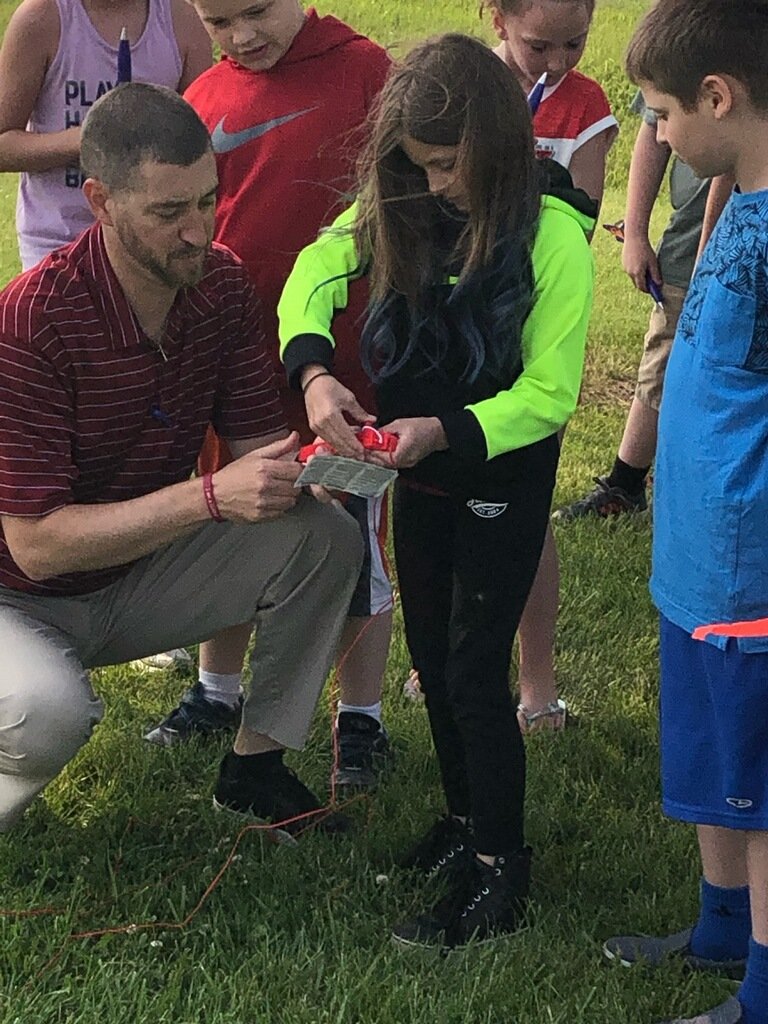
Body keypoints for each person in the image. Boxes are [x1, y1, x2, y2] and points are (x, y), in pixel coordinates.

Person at [278, 33, 595, 947]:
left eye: (451, 166)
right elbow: (312, 273)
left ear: (496, 152)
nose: (437, 184)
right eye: (418, 167)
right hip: (418, 476)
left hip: (498, 476)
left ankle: (503, 868)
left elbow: (550, 393)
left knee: (471, 670)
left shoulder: (555, 240)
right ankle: (464, 824)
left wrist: (447, 432)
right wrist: (313, 375)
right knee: (429, 639)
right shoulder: (400, 204)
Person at [0, 82, 363, 837]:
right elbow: (36, 547)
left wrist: (325, 466)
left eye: (207, 199)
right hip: (19, 599)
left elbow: (260, 445)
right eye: (169, 213)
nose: (199, 230)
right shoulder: (33, 319)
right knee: (49, 714)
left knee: (325, 539)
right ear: (100, 202)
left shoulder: (220, 284)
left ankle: (255, 769)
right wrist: (206, 498)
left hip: (133, 579)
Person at [142, 0, 394, 790]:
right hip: (232, 367)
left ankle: (361, 721)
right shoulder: (203, 99)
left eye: (257, 10)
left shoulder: (367, 72)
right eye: (220, 20)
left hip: (344, 368)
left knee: (357, 540)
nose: (243, 35)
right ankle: (217, 690)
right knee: (229, 521)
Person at [603, 2, 768, 1021]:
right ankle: (718, 926)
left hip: (754, 571)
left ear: (720, 97)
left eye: (661, 114)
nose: (654, 135)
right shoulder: (734, 193)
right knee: (714, 763)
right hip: (701, 555)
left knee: (764, 793)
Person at [477, 0, 617, 734]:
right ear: (494, 17)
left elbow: (583, 221)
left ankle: (537, 681)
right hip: (455, 330)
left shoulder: (587, 106)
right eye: (539, 44)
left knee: (524, 509)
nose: (557, 62)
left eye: (575, 43)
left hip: (532, 336)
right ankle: (451, 656)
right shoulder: (462, 86)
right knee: (447, 504)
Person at [552, 93, 711, 523]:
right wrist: (636, 232)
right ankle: (625, 483)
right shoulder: (685, 36)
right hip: (686, 253)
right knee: (664, 365)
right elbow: (651, 131)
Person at [0, 0, 212, 273]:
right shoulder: (42, 19)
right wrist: (87, 138)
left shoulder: (181, 20)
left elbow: (201, 139)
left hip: (156, 238)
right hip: (60, 241)